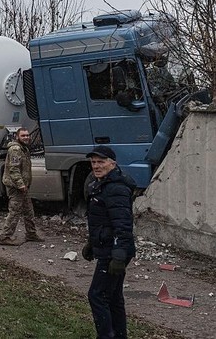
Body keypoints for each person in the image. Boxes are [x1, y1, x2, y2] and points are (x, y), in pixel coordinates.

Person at [81, 145, 136, 339]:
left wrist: (119, 255)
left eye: (101, 162)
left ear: (112, 164)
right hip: (107, 248)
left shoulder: (116, 188)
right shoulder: (101, 184)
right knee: (113, 297)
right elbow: (101, 221)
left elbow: (122, 224)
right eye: (93, 162)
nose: (96, 166)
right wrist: (91, 243)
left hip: (114, 251)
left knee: (96, 295)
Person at [0, 127, 44, 245]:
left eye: (27, 135)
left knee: (29, 211)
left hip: (23, 186)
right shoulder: (15, 149)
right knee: (14, 211)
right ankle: (5, 237)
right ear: (17, 137)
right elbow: (13, 169)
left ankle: (31, 234)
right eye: (23, 135)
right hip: (16, 187)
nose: (26, 137)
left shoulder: (24, 149)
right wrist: (20, 185)